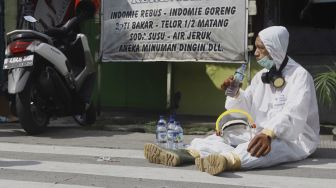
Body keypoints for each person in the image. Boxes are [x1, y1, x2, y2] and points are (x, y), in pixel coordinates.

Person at [144, 26, 320, 175]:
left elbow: (294, 113)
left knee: (270, 148)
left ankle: (228, 161)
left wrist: (269, 133)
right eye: (255, 47)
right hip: (260, 132)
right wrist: (236, 93)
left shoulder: (300, 76)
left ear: (275, 49)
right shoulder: (261, 77)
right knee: (223, 137)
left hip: (293, 138)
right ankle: (186, 154)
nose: (256, 53)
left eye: (261, 48)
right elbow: (245, 109)